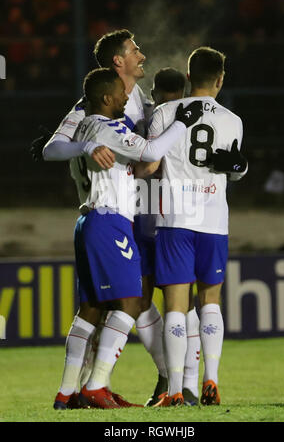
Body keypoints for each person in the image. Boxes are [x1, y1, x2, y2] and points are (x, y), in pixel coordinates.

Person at [52, 66, 204, 409]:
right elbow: (150, 153)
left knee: (91, 309)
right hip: (110, 222)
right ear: (108, 98)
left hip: (89, 220)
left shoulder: (86, 125)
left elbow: (52, 149)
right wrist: (183, 122)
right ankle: (96, 385)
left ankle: (66, 393)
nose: (127, 98)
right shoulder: (109, 128)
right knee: (133, 302)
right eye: (122, 94)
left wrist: (86, 147)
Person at [36, 29, 168, 406]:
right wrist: (86, 145)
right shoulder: (88, 109)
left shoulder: (137, 100)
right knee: (132, 299)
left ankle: (78, 391)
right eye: (135, 50)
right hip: (110, 211)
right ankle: (133, 381)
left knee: (111, 304)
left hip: (136, 206)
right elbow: (53, 149)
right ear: (118, 61)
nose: (142, 55)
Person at [136, 46, 248, 407]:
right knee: (210, 301)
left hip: (174, 221)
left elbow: (149, 168)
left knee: (175, 306)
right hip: (214, 221)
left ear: (187, 77)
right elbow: (235, 167)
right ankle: (210, 380)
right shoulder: (233, 120)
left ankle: (172, 391)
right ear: (220, 79)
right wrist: (240, 167)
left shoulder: (166, 112)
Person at [137, 67, 201, 406]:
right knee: (169, 303)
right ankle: (177, 378)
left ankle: (176, 379)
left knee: (156, 303)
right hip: (170, 218)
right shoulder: (187, 119)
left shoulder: (150, 117)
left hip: (156, 219)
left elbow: (142, 163)